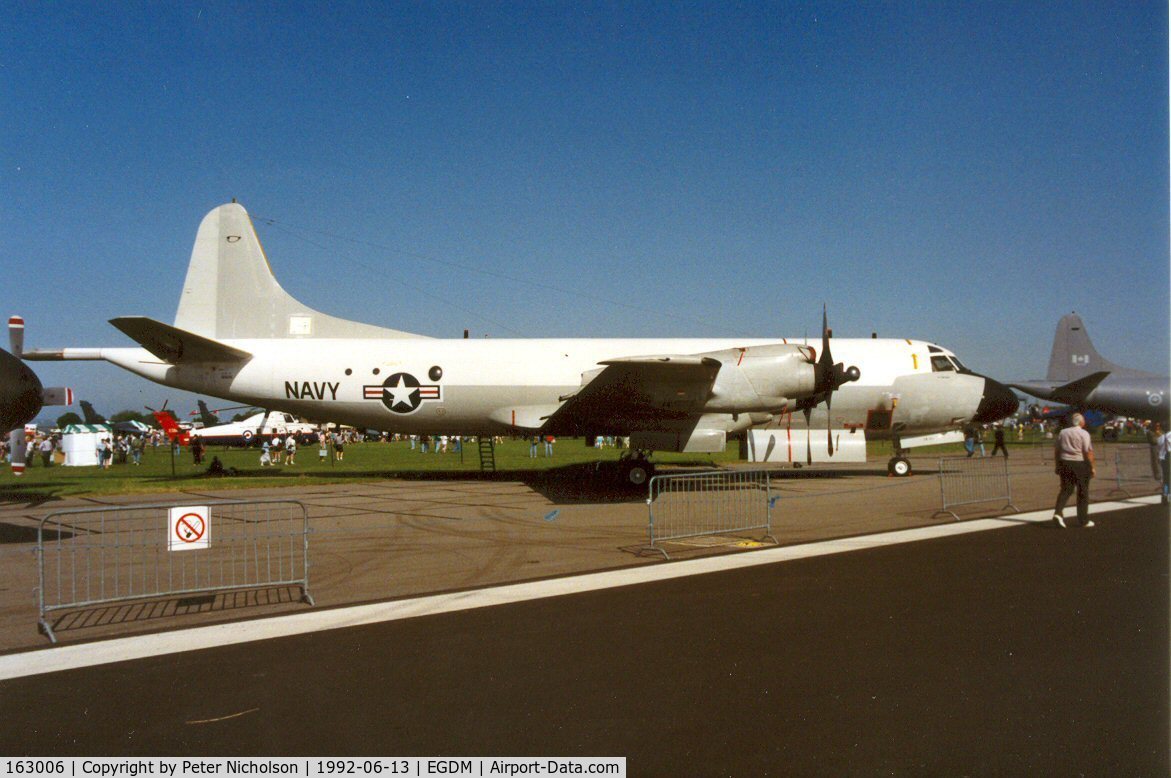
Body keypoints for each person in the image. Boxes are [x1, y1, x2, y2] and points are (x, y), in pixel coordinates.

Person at [1052, 413, 1096, 528]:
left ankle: (1058, 512)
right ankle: (1083, 520)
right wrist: (1092, 467)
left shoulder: (1063, 432)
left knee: (1065, 490)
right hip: (1080, 463)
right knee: (1082, 492)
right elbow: (1088, 451)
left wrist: (1057, 465)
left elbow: (1057, 450)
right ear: (1081, 422)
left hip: (1065, 463)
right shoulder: (1084, 433)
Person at [1158, 426, 1171, 505]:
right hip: (1169, 456)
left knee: (1166, 479)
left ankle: (1165, 495)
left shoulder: (1161, 437)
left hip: (1164, 458)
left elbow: (1159, 448)